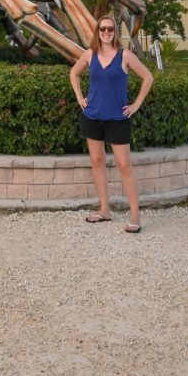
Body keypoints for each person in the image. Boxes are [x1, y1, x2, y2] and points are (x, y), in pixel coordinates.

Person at [69, 16, 154, 233]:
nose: (106, 32)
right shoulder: (90, 54)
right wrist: (80, 96)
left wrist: (136, 104)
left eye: (110, 29)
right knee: (97, 161)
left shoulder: (125, 55)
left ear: (116, 32)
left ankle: (135, 216)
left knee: (124, 165)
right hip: (92, 117)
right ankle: (104, 210)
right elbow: (74, 73)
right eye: (102, 28)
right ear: (97, 31)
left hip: (117, 119)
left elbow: (148, 77)